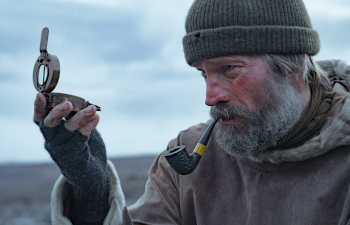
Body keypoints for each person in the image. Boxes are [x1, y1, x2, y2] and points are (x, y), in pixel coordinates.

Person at [34, 0, 350, 224]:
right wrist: (89, 188)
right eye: (203, 72)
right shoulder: (188, 159)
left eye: (229, 69)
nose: (210, 98)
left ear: (294, 62)